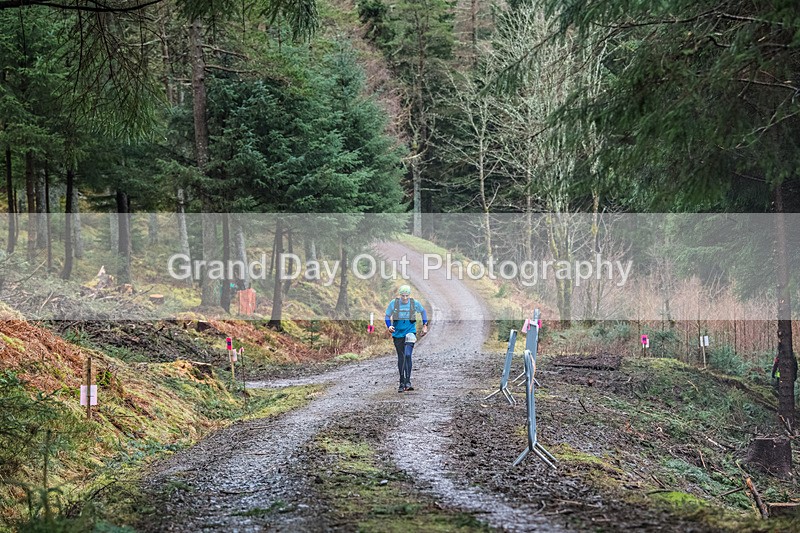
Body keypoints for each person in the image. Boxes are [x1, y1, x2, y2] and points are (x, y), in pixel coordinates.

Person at [385, 285, 428, 392]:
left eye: (406, 296)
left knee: (408, 355)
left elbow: (423, 312)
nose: (404, 298)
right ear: (400, 295)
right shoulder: (394, 304)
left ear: (409, 295)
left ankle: (407, 382)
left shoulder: (414, 303)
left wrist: (425, 325)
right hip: (398, 334)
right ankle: (401, 382)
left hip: (410, 332)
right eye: (403, 296)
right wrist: (389, 326)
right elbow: (387, 316)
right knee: (401, 357)